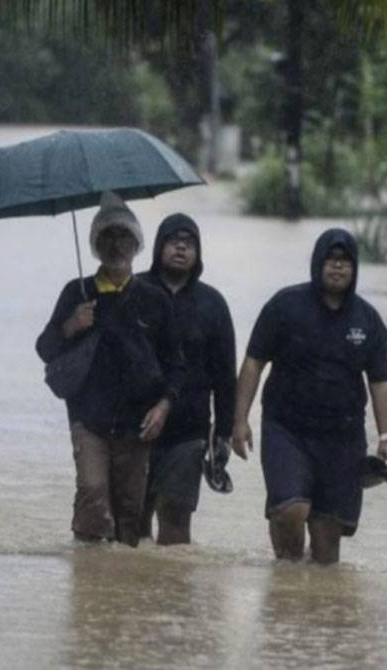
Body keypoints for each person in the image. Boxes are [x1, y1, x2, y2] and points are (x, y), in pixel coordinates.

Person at [231, 228, 387, 564]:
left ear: (355, 270)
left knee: (326, 552)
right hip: (286, 429)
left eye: (345, 262)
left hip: (342, 439)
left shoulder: (368, 320)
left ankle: (310, 607)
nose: (338, 268)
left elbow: (380, 382)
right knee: (292, 510)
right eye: (331, 261)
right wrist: (240, 420)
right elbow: (253, 363)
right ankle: (285, 571)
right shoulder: (284, 306)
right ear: (318, 264)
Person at [35, 191, 183, 547]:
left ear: (137, 245)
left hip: (137, 425)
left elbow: (176, 365)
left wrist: (164, 406)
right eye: (108, 238)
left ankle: (117, 592)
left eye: (124, 237)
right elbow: (45, 349)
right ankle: (86, 580)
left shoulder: (154, 299)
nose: (117, 245)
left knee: (129, 513)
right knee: (92, 493)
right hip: (89, 420)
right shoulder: (78, 292)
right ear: (96, 246)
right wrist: (71, 325)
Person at [137, 213, 236, 544]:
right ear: (157, 248)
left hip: (189, 431)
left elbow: (225, 376)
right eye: (173, 240)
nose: (181, 247)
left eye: (189, 242)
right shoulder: (134, 292)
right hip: (132, 428)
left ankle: (173, 594)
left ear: (198, 252)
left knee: (176, 523)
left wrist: (223, 433)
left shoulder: (213, 304)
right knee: (132, 527)